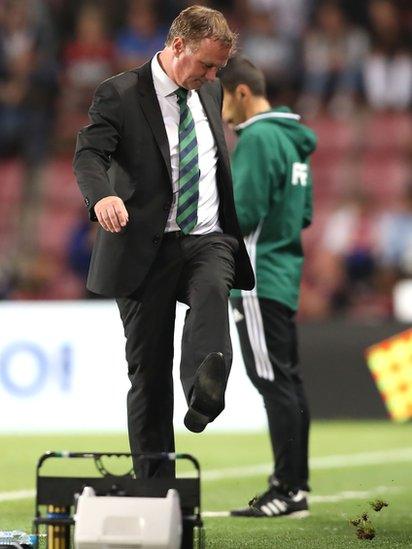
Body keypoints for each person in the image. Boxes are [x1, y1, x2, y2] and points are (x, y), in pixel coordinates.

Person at [73, 6, 254, 478]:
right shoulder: (120, 93)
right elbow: (90, 153)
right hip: (143, 246)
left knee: (214, 286)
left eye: (219, 67)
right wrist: (102, 196)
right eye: (208, 65)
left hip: (205, 234)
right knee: (149, 374)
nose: (215, 76)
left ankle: (204, 387)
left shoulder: (208, 88)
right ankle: (156, 488)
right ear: (178, 46)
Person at [220, 56, 316, 517]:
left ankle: (288, 490)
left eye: (219, 97)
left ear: (240, 92)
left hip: (256, 277)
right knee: (287, 382)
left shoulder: (258, 137)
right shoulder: (293, 140)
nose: (219, 111)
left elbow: (245, 210)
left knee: (273, 382)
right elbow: (305, 214)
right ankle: (292, 485)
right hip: (285, 272)